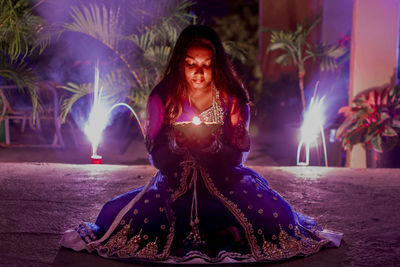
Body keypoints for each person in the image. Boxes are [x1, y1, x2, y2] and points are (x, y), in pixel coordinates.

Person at [60, 25, 342, 263]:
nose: (199, 72)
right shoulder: (163, 97)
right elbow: (155, 155)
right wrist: (175, 147)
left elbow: (236, 157)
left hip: (226, 182)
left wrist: (215, 147)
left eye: (207, 65)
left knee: (276, 218)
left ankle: (224, 231)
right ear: (179, 63)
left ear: (216, 65)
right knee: (119, 217)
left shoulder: (231, 98)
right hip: (174, 182)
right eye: (191, 64)